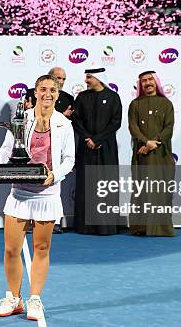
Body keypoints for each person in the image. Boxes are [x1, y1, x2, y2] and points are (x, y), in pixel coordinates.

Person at [0, 74, 75, 321]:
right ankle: (14, 299)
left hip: (47, 195)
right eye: (42, 89)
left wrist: (54, 175)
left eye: (52, 90)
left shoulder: (63, 124)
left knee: (41, 247)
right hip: (19, 193)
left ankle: (34, 299)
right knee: (10, 249)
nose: (47, 94)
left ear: (58, 95)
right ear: (35, 93)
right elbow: (7, 150)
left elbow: (69, 159)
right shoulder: (21, 119)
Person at [73, 67, 122, 235]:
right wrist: (88, 138)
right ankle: (84, 226)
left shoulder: (113, 97)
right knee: (86, 184)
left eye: (89, 77)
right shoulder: (81, 97)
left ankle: (106, 226)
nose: (86, 80)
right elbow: (76, 120)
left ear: (98, 78)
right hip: (86, 148)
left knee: (105, 184)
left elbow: (116, 122)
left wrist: (98, 139)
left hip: (106, 148)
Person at [128, 70, 176, 237]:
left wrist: (151, 144)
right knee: (141, 190)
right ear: (140, 84)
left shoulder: (166, 104)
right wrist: (145, 142)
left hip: (161, 156)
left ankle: (161, 229)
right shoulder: (135, 104)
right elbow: (132, 127)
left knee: (160, 190)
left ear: (156, 82)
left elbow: (168, 129)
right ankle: (140, 228)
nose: (147, 83)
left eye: (150, 80)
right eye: (143, 81)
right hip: (141, 156)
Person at [47, 67, 74, 233]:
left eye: (64, 79)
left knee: (55, 186)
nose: (61, 81)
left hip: (58, 148)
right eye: (58, 78)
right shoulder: (33, 93)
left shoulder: (69, 98)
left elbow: (71, 123)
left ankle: (55, 221)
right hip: (37, 146)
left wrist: (63, 118)